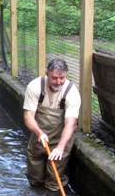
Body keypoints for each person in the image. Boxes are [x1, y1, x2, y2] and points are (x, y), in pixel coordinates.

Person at [23, 58, 81, 194]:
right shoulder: (35, 86)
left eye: (62, 78)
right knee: (34, 175)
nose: (58, 82)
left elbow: (71, 123)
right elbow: (28, 117)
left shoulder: (72, 92)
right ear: (47, 73)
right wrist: (39, 133)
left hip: (61, 137)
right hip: (39, 135)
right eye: (54, 78)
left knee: (54, 178)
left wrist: (60, 148)